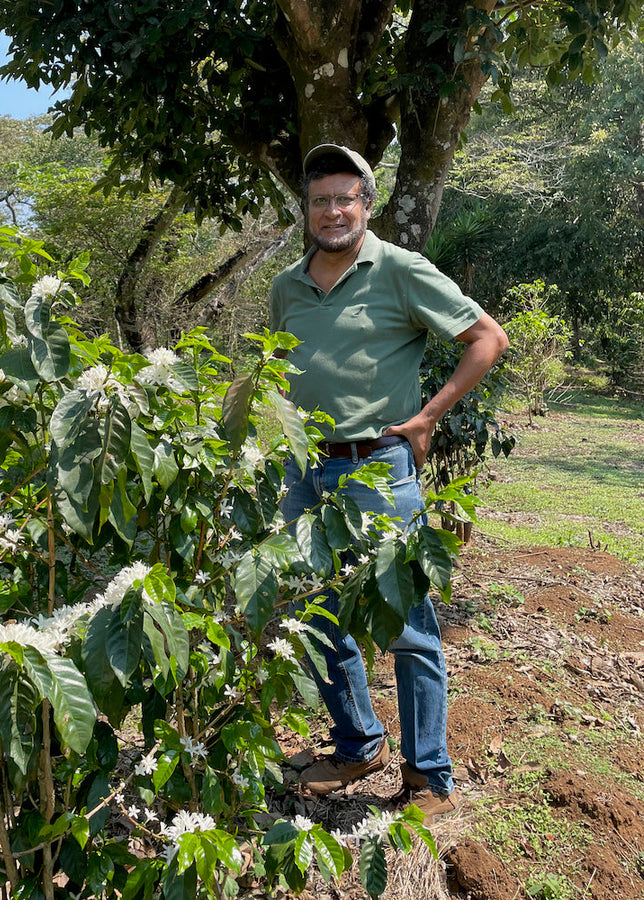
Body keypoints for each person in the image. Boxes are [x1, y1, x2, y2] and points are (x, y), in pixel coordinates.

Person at [270, 143, 508, 818]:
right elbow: (280, 369)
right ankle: (355, 744)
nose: (334, 210)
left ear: (366, 206)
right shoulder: (287, 286)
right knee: (312, 610)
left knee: (407, 624)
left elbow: (487, 337)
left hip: (377, 465)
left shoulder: (399, 270)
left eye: (346, 198)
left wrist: (430, 416)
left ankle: (429, 775)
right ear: (307, 210)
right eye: (321, 200)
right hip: (305, 469)